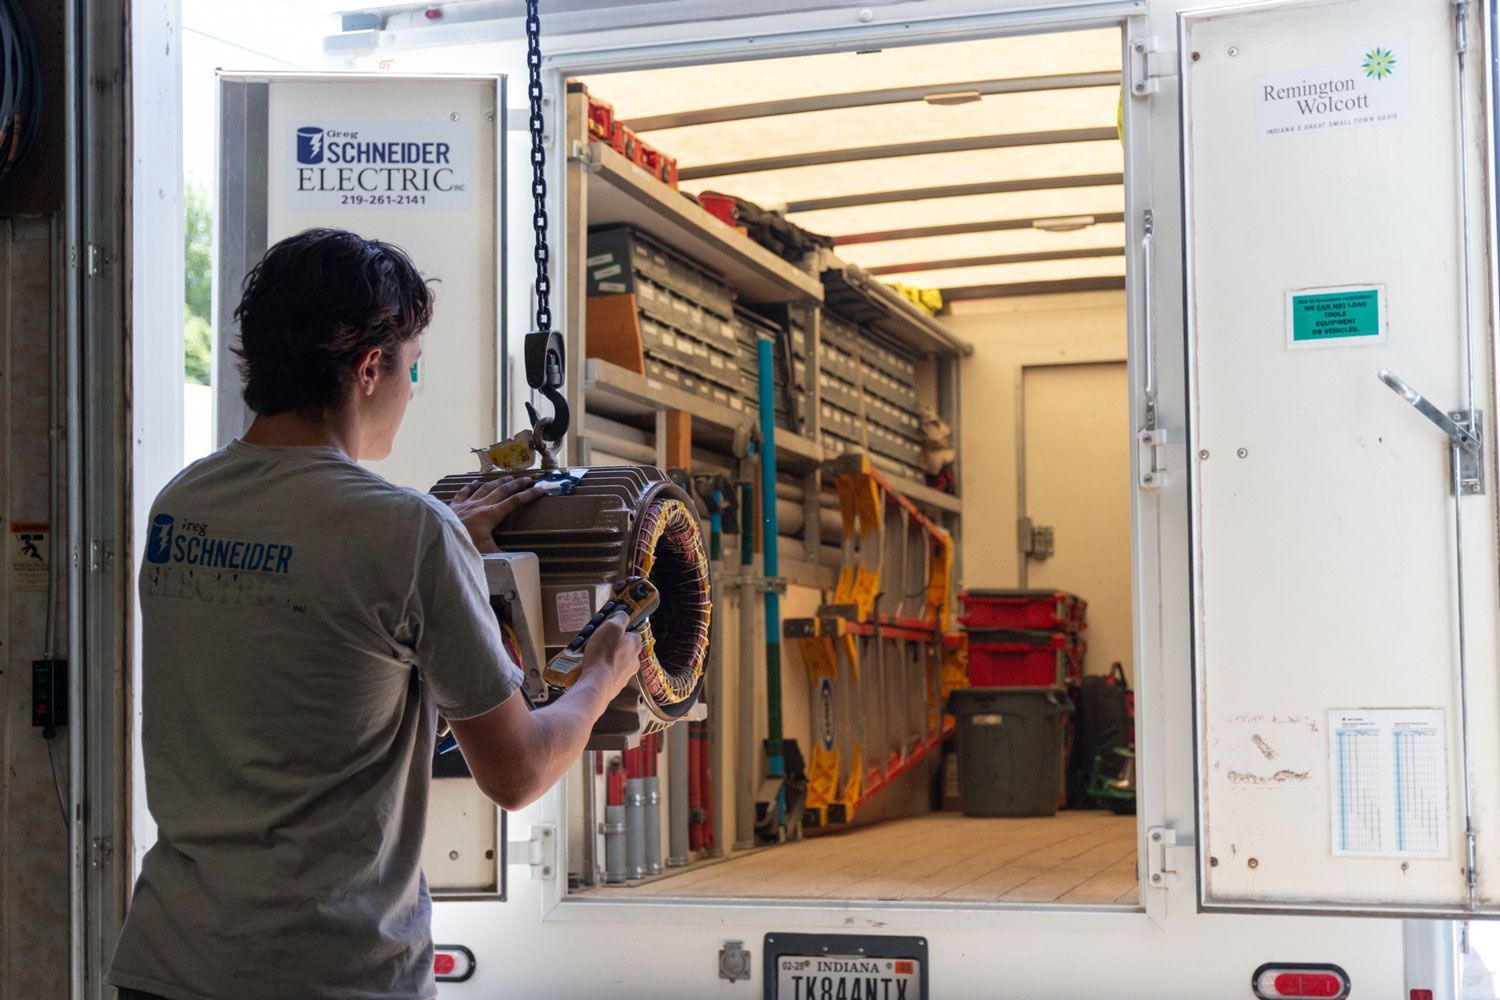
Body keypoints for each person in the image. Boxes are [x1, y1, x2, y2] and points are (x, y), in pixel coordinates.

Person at [109, 228, 641, 1000]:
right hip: (330, 976)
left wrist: (442, 547)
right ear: (369, 368)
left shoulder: (184, 502)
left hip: (166, 965)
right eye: (412, 365)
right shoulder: (409, 535)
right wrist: (600, 677)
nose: (412, 388)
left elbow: (302, 601)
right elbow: (518, 772)